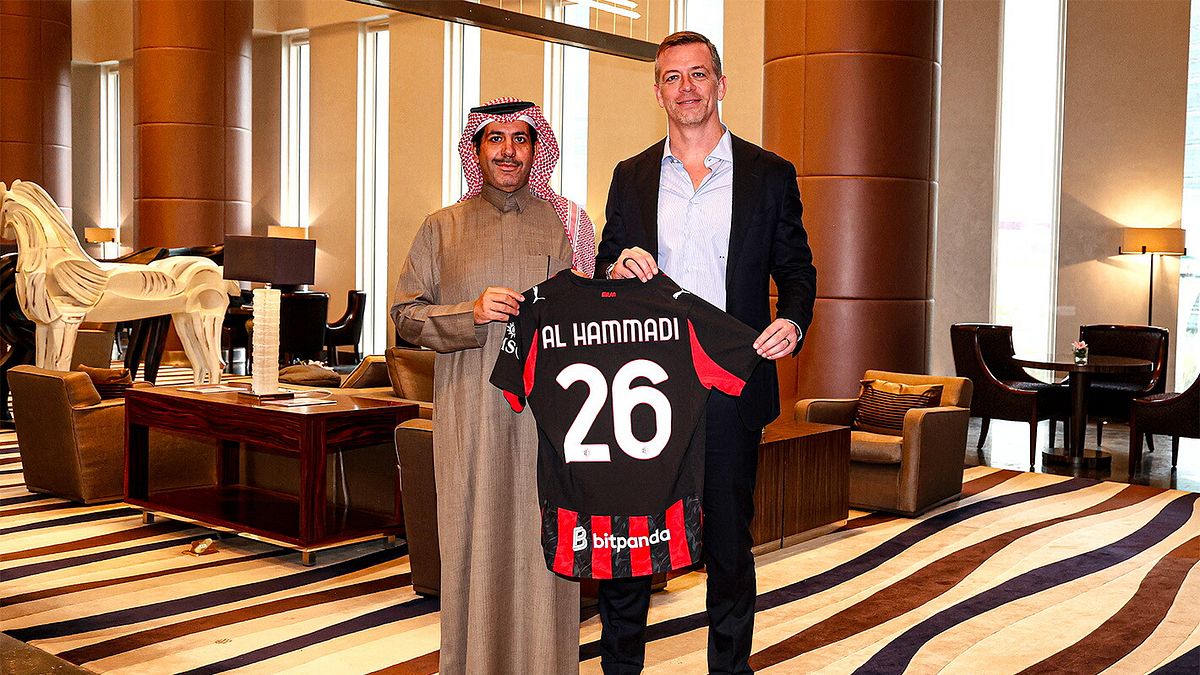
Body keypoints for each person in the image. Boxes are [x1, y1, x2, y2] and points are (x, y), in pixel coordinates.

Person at [594, 32, 817, 674]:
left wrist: (792, 320)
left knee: (727, 544)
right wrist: (616, 267)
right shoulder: (631, 176)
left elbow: (796, 269)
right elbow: (606, 266)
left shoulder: (769, 174)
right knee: (628, 539)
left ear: (721, 84)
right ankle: (620, 667)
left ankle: (729, 667)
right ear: (657, 91)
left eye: (698, 74)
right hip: (643, 384)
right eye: (672, 77)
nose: (685, 87)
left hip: (728, 382)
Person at [391, 97, 596, 674]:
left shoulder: (568, 223)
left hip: (548, 421)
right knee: (469, 540)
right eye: (496, 139)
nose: (509, 151)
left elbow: (593, 316)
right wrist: (470, 313)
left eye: (521, 139)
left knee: (546, 545)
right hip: (469, 417)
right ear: (476, 150)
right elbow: (405, 316)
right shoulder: (441, 227)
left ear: (537, 149)